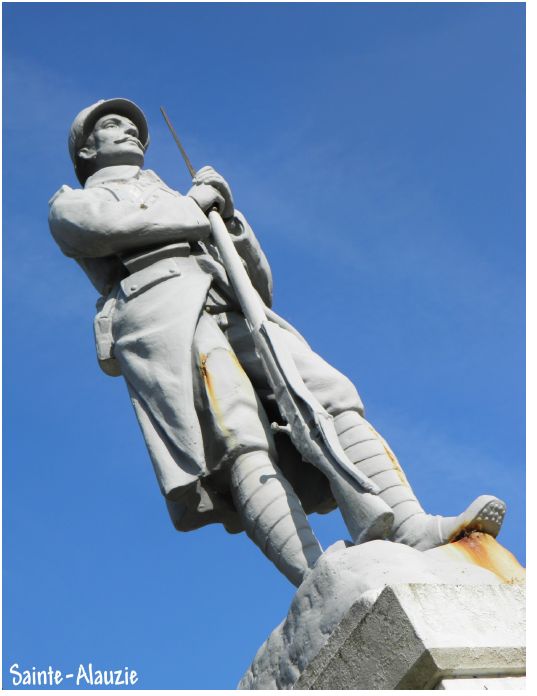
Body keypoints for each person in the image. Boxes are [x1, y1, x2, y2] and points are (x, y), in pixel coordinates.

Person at [48, 98, 506, 587]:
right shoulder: (72, 203)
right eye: (113, 125)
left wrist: (231, 220)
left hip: (233, 301)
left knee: (329, 393)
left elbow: (258, 282)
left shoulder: (179, 197)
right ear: (88, 151)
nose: (130, 131)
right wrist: (195, 208)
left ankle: (409, 524)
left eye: (133, 125)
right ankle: (316, 576)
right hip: (164, 315)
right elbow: (112, 227)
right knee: (237, 436)